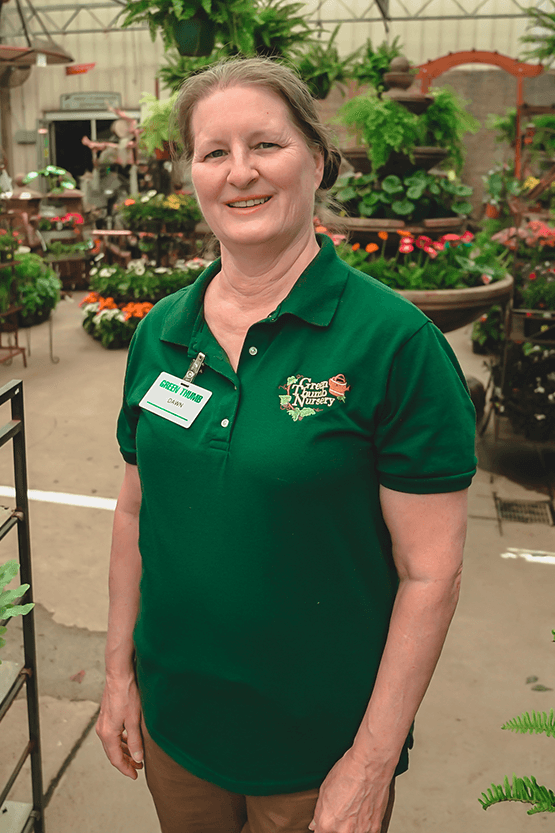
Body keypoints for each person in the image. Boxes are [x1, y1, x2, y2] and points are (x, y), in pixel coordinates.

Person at [97, 57, 477, 833]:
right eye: (213, 152)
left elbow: (429, 571)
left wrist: (370, 762)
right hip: (180, 730)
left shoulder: (392, 345)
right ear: (191, 175)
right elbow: (136, 515)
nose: (240, 173)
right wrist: (116, 676)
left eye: (265, 145)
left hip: (317, 751)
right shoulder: (162, 334)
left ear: (317, 158)